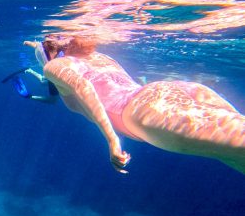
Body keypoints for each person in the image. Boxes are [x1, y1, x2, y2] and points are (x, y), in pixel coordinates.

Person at [22, 35, 245, 174]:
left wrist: (112, 140)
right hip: (172, 90)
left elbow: (84, 88)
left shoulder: (55, 66)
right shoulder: (98, 57)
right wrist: (41, 45)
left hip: (144, 111)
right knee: (236, 156)